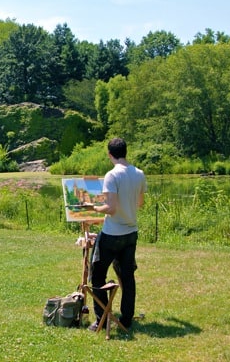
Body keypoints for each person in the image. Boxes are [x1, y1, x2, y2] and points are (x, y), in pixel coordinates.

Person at [89, 137, 146, 331]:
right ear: (126, 152)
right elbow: (140, 204)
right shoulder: (139, 173)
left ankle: (101, 319)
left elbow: (111, 208)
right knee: (127, 277)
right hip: (131, 233)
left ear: (109, 154)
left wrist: (94, 208)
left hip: (112, 234)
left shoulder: (112, 175)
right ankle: (127, 319)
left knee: (97, 276)